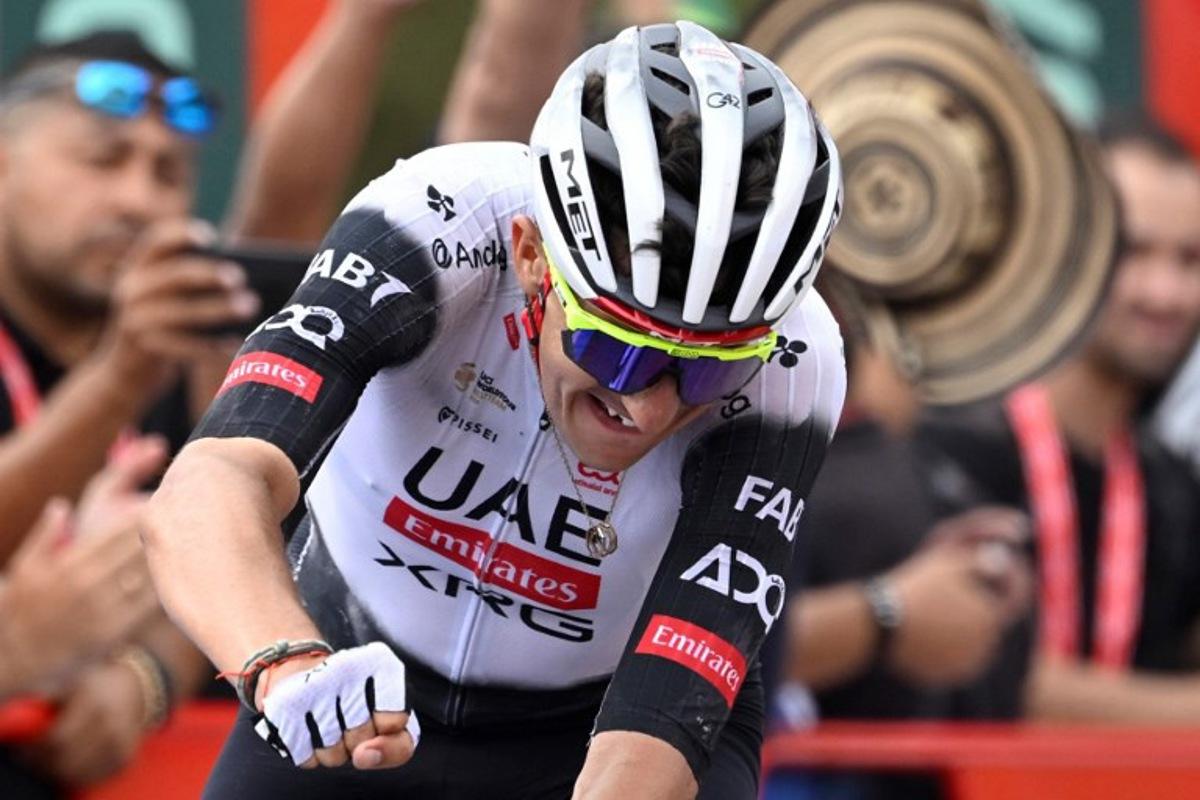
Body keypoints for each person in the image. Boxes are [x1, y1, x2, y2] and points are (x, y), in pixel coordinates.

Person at [143, 21, 845, 799]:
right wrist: (282, 660)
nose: (647, 408)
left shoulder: (795, 362)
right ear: (531, 256)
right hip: (352, 679)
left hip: (602, 720)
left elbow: (656, 725)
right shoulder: (440, 221)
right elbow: (213, 479)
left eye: (707, 375)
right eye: (619, 349)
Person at [0, 31, 255, 794]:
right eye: (103, 159)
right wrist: (119, 376)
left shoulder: (185, 348)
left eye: (169, 173)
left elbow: (247, 562)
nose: (139, 199)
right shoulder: (146, 351)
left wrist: (141, 681)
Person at [918, 114, 1200, 724]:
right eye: (1135, 251)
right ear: (1061, 244)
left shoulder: (1173, 483)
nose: (1166, 292)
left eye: (1190, 259)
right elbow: (989, 679)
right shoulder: (946, 445)